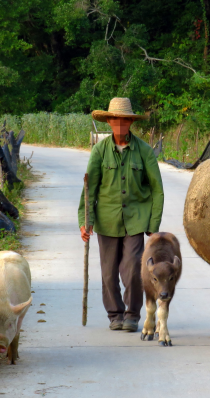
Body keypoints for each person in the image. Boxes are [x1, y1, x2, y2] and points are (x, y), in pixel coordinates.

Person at [78, 97, 164, 332]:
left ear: (130, 123)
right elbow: (89, 188)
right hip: (106, 220)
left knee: (133, 270)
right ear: (109, 121)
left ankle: (132, 314)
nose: (119, 124)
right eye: (115, 119)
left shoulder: (144, 151)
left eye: (124, 120)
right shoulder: (100, 151)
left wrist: (153, 224)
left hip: (135, 220)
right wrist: (85, 222)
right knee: (108, 274)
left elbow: (157, 189)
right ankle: (114, 314)